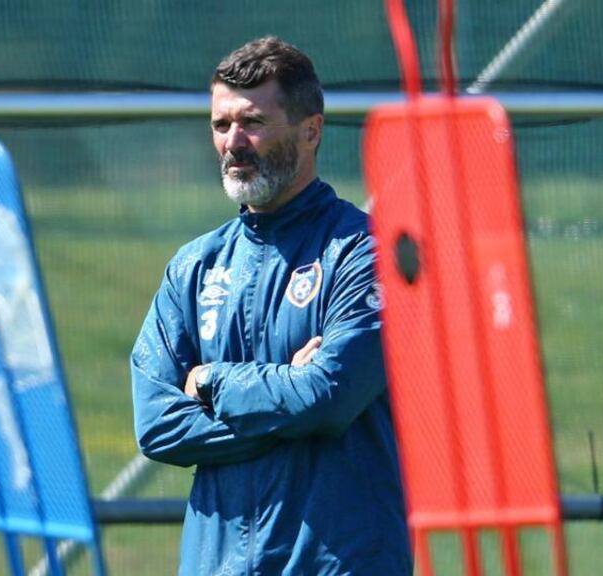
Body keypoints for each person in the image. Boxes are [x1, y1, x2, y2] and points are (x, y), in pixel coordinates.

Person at [130, 37, 411, 574]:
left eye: (253, 122)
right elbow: (157, 425)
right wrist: (287, 392)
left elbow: (329, 395)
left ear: (312, 130)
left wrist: (212, 382)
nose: (234, 142)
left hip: (337, 561)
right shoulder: (194, 267)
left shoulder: (365, 253)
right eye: (220, 125)